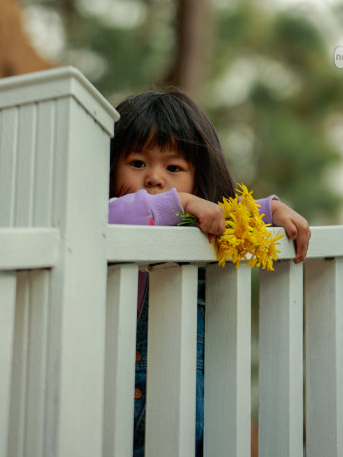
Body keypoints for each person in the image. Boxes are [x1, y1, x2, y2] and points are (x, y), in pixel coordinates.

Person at [108, 88, 311, 457]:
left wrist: (269, 211)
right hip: (126, 406)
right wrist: (179, 200)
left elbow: (222, 215)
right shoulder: (107, 216)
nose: (154, 178)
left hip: (194, 403)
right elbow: (125, 214)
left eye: (173, 168)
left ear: (199, 178)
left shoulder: (193, 225)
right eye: (137, 163)